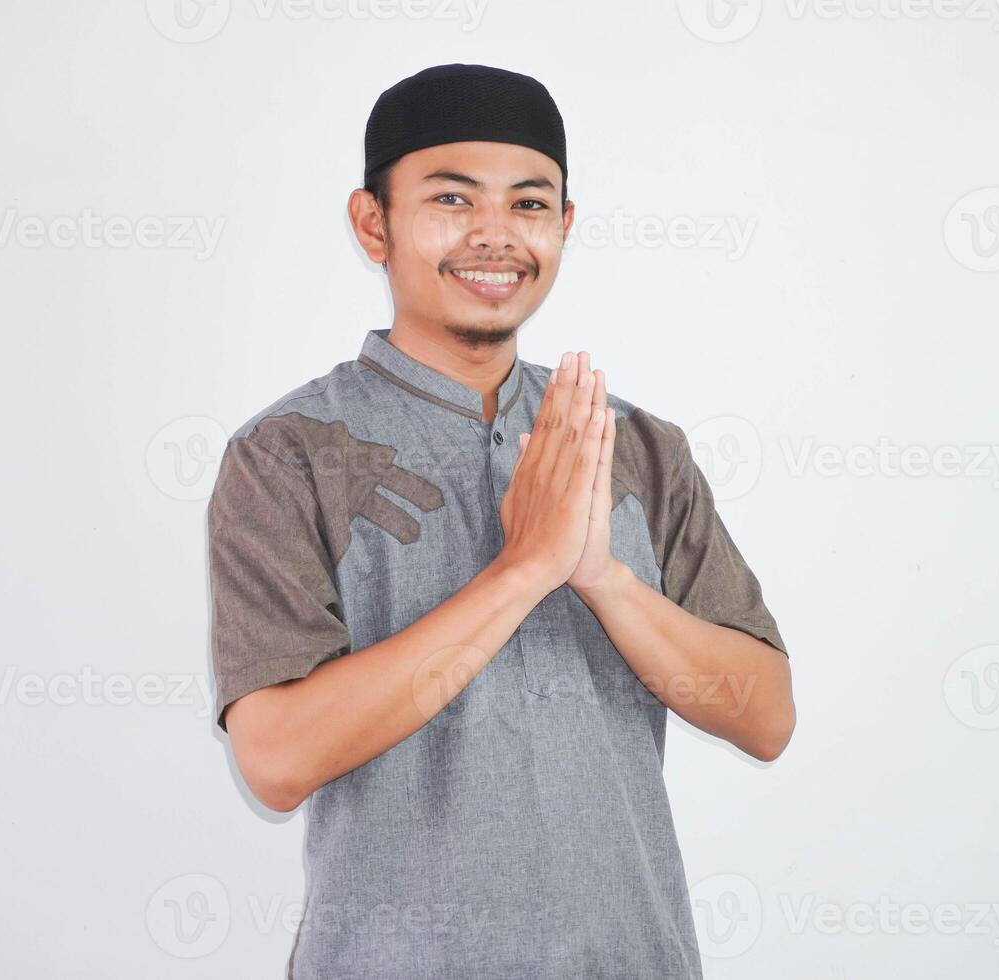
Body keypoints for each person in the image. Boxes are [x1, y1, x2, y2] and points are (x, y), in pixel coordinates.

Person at [207, 62, 795, 979]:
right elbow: (277, 761)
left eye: (529, 205)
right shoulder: (288, 455)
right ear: (374, 223)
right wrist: (522, 571)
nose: (495, 235)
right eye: (451, 197)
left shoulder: (634, 446)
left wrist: (601, 575)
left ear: (565, 226)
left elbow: (765, 716)